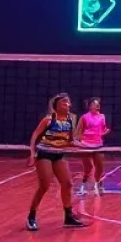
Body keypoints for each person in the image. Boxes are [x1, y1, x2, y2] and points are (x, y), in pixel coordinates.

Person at [26, 93, 89, 231]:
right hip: (45, 153)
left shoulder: (69, 120)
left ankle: (68, 217)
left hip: (59, 154)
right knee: (44, 185)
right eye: (64, 102)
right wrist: (32, 154)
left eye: (68, 102)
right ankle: (31, 216)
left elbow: (70, 141)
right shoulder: (48, 119)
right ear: (56, 106)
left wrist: (85, 146)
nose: (67, 104)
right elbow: (35, 135)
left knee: (67, 184)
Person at [77, 97, 110, 195]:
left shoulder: (102, 117)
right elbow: (79, 131)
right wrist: (78, 142)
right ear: (90, 106)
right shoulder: (84, 117)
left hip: (98, 145)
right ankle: (83, 186)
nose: (98, 106)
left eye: (98, 104)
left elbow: (104, 129)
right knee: (88, 168)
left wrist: (104, 133)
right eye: (96, 104)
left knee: (100, 167)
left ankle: (100, 186)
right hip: (86, 145)